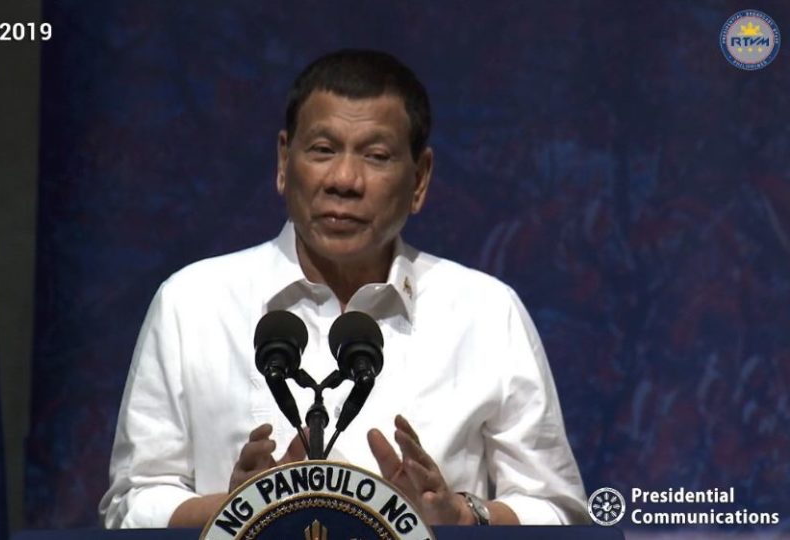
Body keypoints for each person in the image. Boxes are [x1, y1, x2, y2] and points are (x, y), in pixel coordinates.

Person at [99, 49, 588, 528]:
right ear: (283, 161)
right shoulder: (193, 302)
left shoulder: (486, 311)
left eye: (376, 156)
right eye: (322, 150)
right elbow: (130, 504)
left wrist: (461, 516)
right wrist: (237, 511)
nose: (345, 180)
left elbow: (561, 513)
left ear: (419, 179)